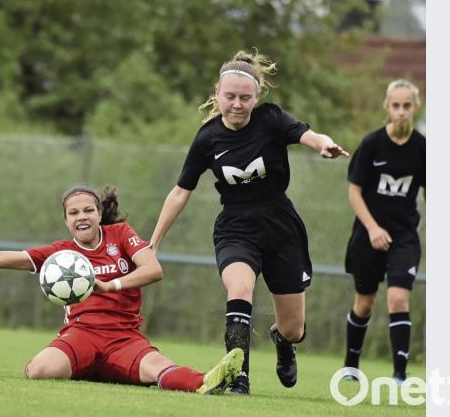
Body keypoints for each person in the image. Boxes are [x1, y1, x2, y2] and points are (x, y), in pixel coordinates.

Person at [148, 50, 349, 395]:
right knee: (239, 289)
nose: (237, 104)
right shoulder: (207, 138)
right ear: (217, 94)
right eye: (230, 97)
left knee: (293, 329)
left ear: (256, 98)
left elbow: (308, 135)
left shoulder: (270, 119)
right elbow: (181, 192)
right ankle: (237, 376)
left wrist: (323, 145)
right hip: (236, 227)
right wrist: (153, 242)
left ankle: (283, 343)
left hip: (280, 225)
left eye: (245, 97)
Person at [0, 186, 244, 393]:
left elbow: (154, 269)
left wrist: (108, 285)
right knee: (38, 371)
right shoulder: (59, 254)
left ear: (100, 214)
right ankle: (96, 368)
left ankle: (209, 380)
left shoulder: (120, 235)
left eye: (88, 210)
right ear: (66, 221)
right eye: (73, 213)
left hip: (124, 337)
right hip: (81, 334)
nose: (82, 217)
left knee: (162, 370)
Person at [341, 79, 425, 384]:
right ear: (387, 107)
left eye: (407, 106)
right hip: (368, 234)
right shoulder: (372, 144)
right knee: (364, 302)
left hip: (404, 238)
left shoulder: (422, 148)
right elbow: (354, 193)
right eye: (396, 105)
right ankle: (351, 365)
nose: (401, 111)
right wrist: (373, 228)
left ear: (416, 107)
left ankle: (400, 375)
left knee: (398, 299)